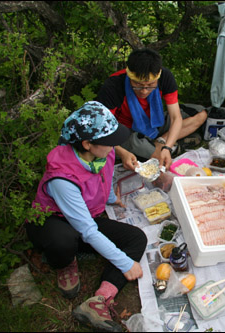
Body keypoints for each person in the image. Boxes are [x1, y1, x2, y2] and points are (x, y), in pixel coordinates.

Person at [25, 101, 148, 332]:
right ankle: (66, 262)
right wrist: (125, 264)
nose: (115, 144)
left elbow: (106, 177)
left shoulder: (105, 153)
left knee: (137, 238)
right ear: (87, 144)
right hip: (54, 220)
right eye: (109, 140)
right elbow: (89, 231)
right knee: (63, 240)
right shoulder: (62, 179)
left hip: (85, 218)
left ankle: (99, 301)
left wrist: (111, 198)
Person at [96, 48, 208, 169]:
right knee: (158, 158)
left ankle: (161, 142)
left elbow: (176, 117)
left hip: (155, 122)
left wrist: (167, 147)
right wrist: (122, 153)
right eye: (138, 85)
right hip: (128, 131)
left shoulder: (165, 77)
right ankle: (155, 148)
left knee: (201, 114)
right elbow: (102, 129)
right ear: (130, 76)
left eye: (150, 85)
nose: (144, 91)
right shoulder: (114, 85)